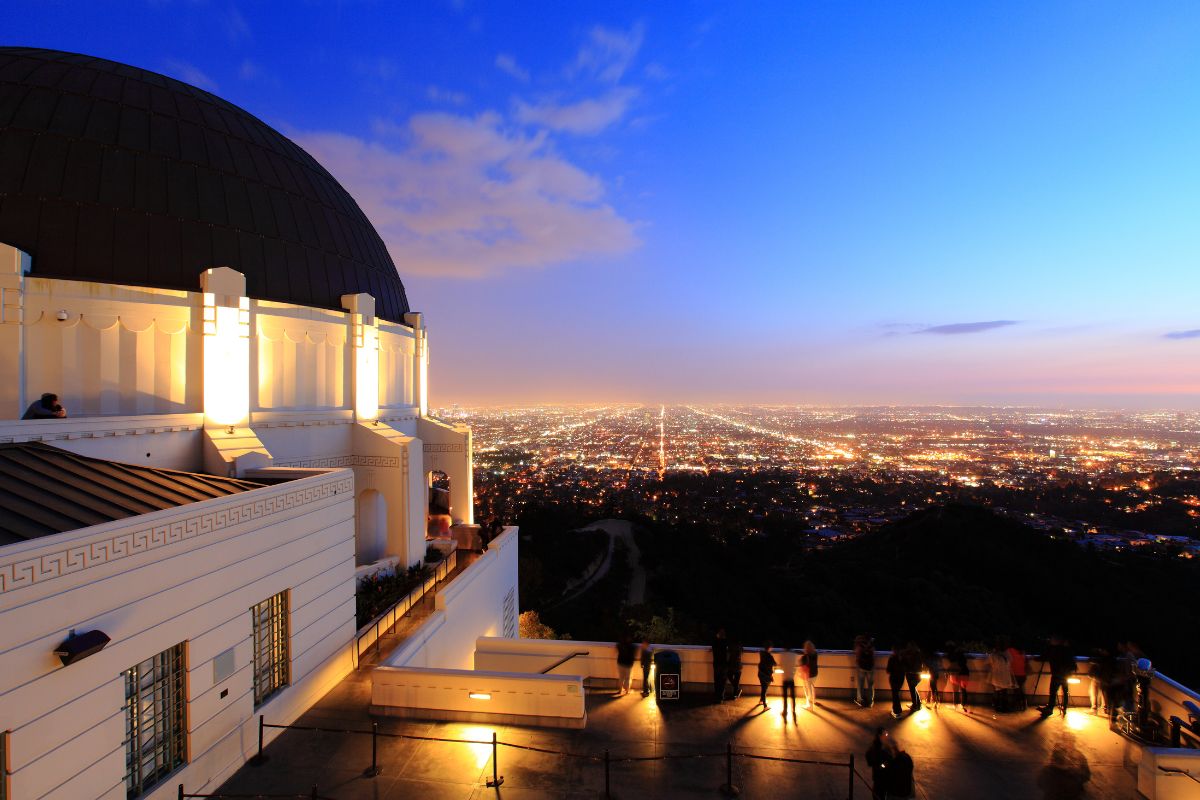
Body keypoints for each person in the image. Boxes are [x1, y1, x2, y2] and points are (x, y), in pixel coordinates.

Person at [1039, 634, 1076, 717]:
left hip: (1056, 675)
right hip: (1066, 675)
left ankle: (1050, 709)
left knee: (1053, 692)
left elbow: (1043, 657)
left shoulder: (1055, 650)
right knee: (1065, 691)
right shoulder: (1067, 650)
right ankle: (1064, 707)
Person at [865, 727, 892, 800]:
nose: (886, 736)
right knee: (878, 794)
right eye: (885, 734)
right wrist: (881, 765)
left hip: (884, 777)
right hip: (880, 777)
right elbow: (870, 758)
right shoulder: (877, 747)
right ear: (880, 735)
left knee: (881, 794)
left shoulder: (885, 746)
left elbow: (890, 758)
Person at [945, 642, 971, 713]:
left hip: (955, 675)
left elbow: (951, 665)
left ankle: (955, 704)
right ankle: (963, 705)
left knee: (955, 690)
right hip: (965, 674)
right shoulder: (962, 658)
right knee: (963, 690)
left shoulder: (952, 657)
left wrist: (947, 672)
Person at [987, 642, 1014, 712]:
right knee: (1004, 692)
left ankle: (997, 706)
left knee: (997, 692)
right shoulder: (1007, 654)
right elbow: (1011, 661)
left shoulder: (993, 655)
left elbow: (989, 663)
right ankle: (1004, 707)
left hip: (997, 676)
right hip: (1005, 676)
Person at [854, 634, 876, 707]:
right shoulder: (871, 645)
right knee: (870, 685)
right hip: (870, 667)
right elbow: (873, 655)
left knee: (860, 684)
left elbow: (857, 654)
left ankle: (860, 700)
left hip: (861, 667)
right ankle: (870, 702)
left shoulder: (859, 645)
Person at [778, 645, 799, 719]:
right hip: (791, 678)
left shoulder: (782, 654)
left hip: (785, 678)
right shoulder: (794, 655)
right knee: (793, 696)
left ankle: (785, 711)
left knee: (785, 696)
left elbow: (780, 665)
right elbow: (795, 666)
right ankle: (793, 710)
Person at [901, 642, 923, 713]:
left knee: (912, 689)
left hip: (911, 674)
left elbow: (907, 663)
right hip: (918, 674)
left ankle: (915, 705)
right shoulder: (919, 653)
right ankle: (918, 704)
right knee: (913, 688)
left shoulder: (910, 654)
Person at [1007, 640, 1029, 711]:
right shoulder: (1022, 652)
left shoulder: (1010, 650)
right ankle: (1024, 704)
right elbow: (1026, 661)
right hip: (1023, 675)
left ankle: (1016, 705)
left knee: (1016, 691)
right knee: (1021, 690)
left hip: (1015, 674)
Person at [886, 645, 906, 718]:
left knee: (895, 694)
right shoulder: (903, 658)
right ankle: (896, 710)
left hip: (893, 678)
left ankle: (897, 711)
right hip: (901, 678)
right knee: (896, 694)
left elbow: (888, 670)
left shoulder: (892, 659)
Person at [800, 640, 819, 709]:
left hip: (808, 675)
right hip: (815, 673)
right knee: (812, 687)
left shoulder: (806, 656)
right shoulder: (815, 654)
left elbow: (804, 664)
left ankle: (809, 705)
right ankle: (814, 701)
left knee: (807, 690)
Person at [711, 628, 729, 703]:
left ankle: (717, 696)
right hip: (724, 664)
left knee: (717, 680)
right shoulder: (726, 643)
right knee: (723, 681)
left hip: (716, 663)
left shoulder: (715, 642)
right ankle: (721, 697)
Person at [757, 642, 776, 709]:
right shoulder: (770, 656)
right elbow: (774, 663)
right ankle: (765, 705)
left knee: (763, 687)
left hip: (760, 673)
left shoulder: (762, 654)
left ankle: (761, 700)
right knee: (764, 689)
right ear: (770, 648)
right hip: (766, 675)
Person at [726, 635, 744, 700]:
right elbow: (742, 653)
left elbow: (728, 654)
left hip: (732, 665)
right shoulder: (740, 647)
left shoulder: (731, 646)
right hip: (738, 665)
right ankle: (735, 694)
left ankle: (736, 693)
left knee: (730, 676)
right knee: (736, 680)